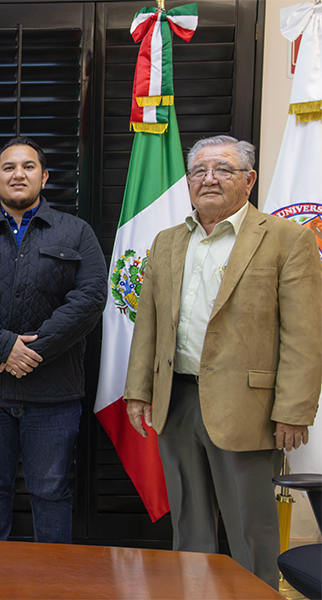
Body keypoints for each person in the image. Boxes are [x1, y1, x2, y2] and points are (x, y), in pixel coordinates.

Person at [125, 135, 322, 587]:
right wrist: (138, 390)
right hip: (177, 402)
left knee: (250, 529)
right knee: (189, 524)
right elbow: (148, 324)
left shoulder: (287, 241)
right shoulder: (167, 241)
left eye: (223, 170)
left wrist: (293, 410)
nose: (209, 179)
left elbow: (304, 336)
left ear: (249, 180)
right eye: (199, 171)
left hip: (246, 408)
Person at [0, 137, 107, 543]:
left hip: (54, 392)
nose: (18, 174)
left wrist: (31, 351)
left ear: (44, 177)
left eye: (28, 167)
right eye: (9, 167)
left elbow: (91, 297)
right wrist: (4, 347)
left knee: (50, 491)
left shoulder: (76, 232)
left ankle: (53, 584)